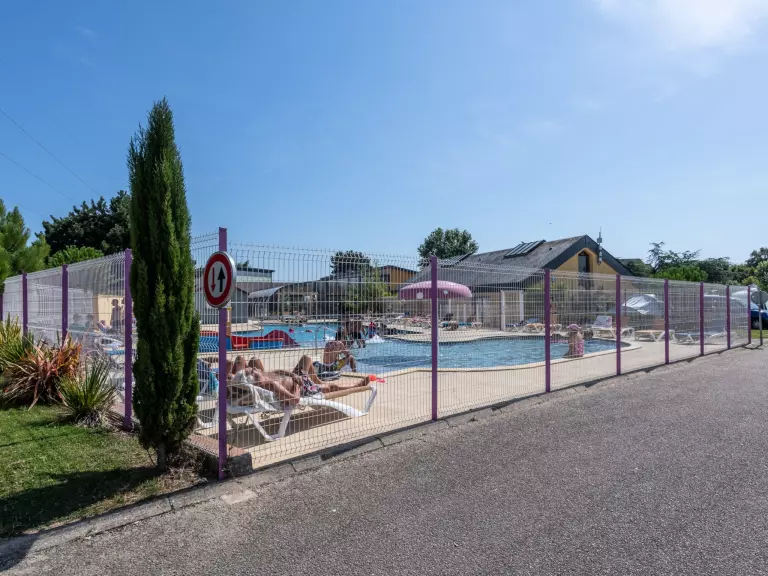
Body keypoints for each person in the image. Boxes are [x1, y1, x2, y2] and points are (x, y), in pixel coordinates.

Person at [228, 355, 372, 406]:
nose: (254, 368)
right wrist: (297, 384)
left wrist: (293, 375)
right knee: (331, 387)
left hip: (295, 378)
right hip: (303, 388)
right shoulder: (268, 385)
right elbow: (295, 400)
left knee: (306, 359)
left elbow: (277, 372)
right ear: (254, 381)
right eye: (252, 371)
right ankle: (357, 385)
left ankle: (318, 381)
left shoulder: (262, 376)